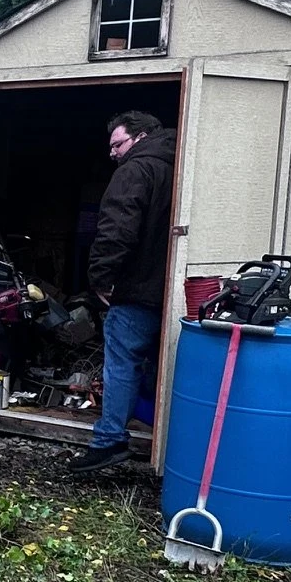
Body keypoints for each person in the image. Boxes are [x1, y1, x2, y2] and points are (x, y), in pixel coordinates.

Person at [69, 110, 178, 473]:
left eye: (117, 144)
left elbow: (117, 228)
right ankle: (172, 438)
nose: (113, 153)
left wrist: (100, 276)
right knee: (170, 365)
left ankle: (109, 440)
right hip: (179, 290)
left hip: (138, 289)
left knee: (122, 362)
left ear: (141, 137)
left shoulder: (135, 170)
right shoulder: (185, 162)